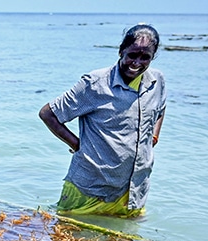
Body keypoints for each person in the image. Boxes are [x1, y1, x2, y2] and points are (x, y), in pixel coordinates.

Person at [39, 24, 166, 218]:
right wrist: (78, 145)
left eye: (145, 57)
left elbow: (160, 109)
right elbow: (48, 114)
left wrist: (154, 137)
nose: (137, 62)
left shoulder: (157, 81)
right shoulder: (95, 84)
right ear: (121, 50)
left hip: (133, 192)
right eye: (132, 55)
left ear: (153, 56)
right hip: (90, 189)